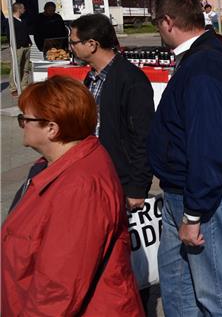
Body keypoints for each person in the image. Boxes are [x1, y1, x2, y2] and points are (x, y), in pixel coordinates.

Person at [2, 76, 144, 315]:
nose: (22, 124)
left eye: (25, 119)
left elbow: (58, 287)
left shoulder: (80, 187)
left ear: (51, 128)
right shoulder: (59, 165)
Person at [147, 0, 222, 316]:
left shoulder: (203, 66)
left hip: (201, 197)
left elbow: (209, 147)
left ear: (167, 21)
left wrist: (194, 214)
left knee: (217, 293)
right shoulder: (198, 59)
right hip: (185, 192)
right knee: (179, 291)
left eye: (156, 24)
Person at [70, 14, 154, 211]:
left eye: (73, 42)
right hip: (94, 175)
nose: (71, 47)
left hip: (120, 179)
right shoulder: (92, 77)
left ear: (92, 44)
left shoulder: (131, 80)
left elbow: (144, 137)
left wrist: (137, 188)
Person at [7, 2, 32, 96]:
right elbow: (9, 35)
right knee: (16, 67)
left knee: (25, 67)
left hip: (26, 46)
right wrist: (14, 46)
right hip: (17, 47)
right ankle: (13, 87)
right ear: (19, 9)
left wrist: (29, 42)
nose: (24, 10)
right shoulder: (11, 21)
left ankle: (24, 85)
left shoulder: (23, 20)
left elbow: (26, 32)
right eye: (23, 8)